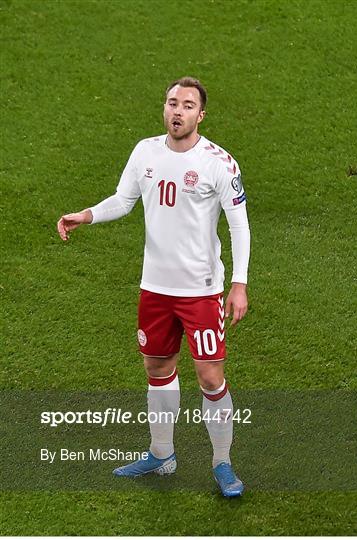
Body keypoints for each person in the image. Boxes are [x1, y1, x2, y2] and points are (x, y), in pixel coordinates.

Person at [57, 76, 250, 497]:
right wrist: (85, 215)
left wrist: (238, 283)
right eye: (171, 103)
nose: (176, 111)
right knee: (157, 370)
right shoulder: (145, 151)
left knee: (210, 376)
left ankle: (222, 462)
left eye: (186, 105)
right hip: (155, 289)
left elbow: (239, 225)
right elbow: (123, 200)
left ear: (201, 114)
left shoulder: (220, 162)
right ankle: (162, 454)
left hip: (200, 291)